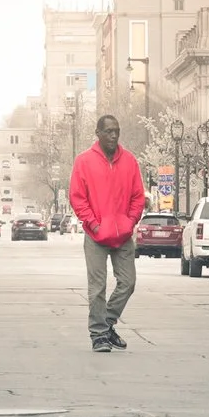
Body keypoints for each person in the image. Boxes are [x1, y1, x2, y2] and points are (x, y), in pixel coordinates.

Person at [68, 114, 147, 352]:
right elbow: (77, 197)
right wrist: (93, 224)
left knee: (128, 283)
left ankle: (108, 322)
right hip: (96, 235)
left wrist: (130, 221)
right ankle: (99, 335)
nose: (114, 135)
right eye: (109, 131)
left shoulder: (130, 161)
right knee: (97, 287)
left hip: (122, 235)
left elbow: (138, 196)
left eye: (117, 131)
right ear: (98, 133)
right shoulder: (84, 161)